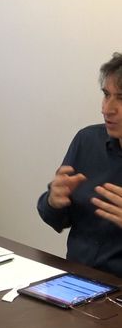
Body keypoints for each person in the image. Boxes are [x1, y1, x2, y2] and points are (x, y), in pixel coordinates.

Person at [38, 52, 122, 277]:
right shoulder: (87, 141)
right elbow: (55, 218)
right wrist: (53, 201)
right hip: (75, 279)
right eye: (106, 95)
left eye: (121, 98)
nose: (107, 109)